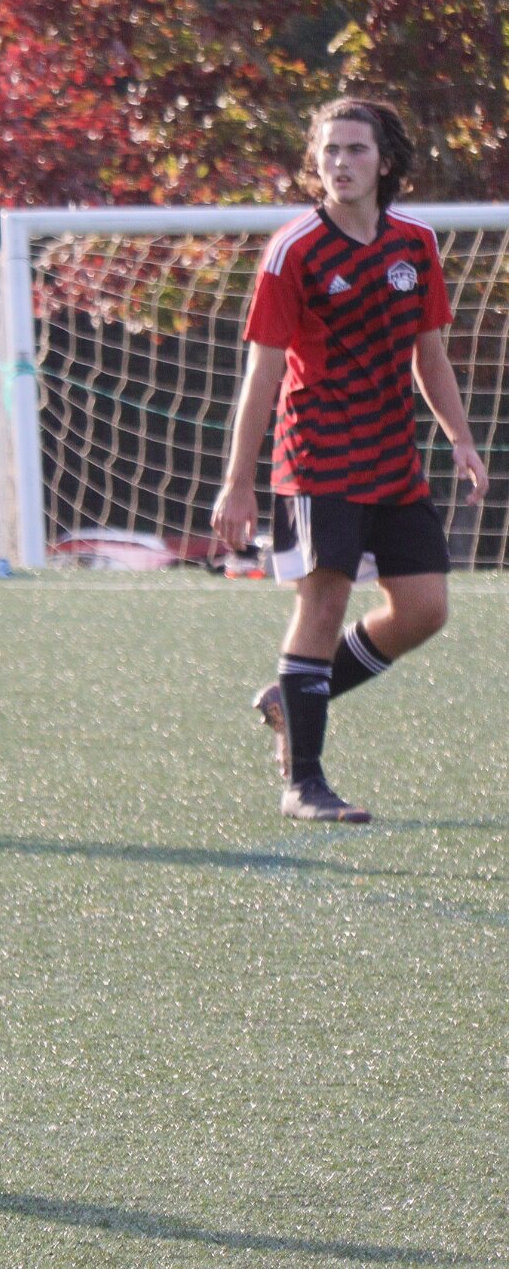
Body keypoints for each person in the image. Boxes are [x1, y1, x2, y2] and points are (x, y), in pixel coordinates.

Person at [214, 98, 488, 822]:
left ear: (384, 161)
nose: (340, 162)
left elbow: (429, 353)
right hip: (318, 457)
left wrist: (460, 437)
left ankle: (292, 698)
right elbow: (262, 374)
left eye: (355, 149)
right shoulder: (294, 250)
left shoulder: (414, 245)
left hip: (393, 458)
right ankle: (303, 783)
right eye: (329, 150)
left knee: (423, 610)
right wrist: (237, 482)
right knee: (324, 602)